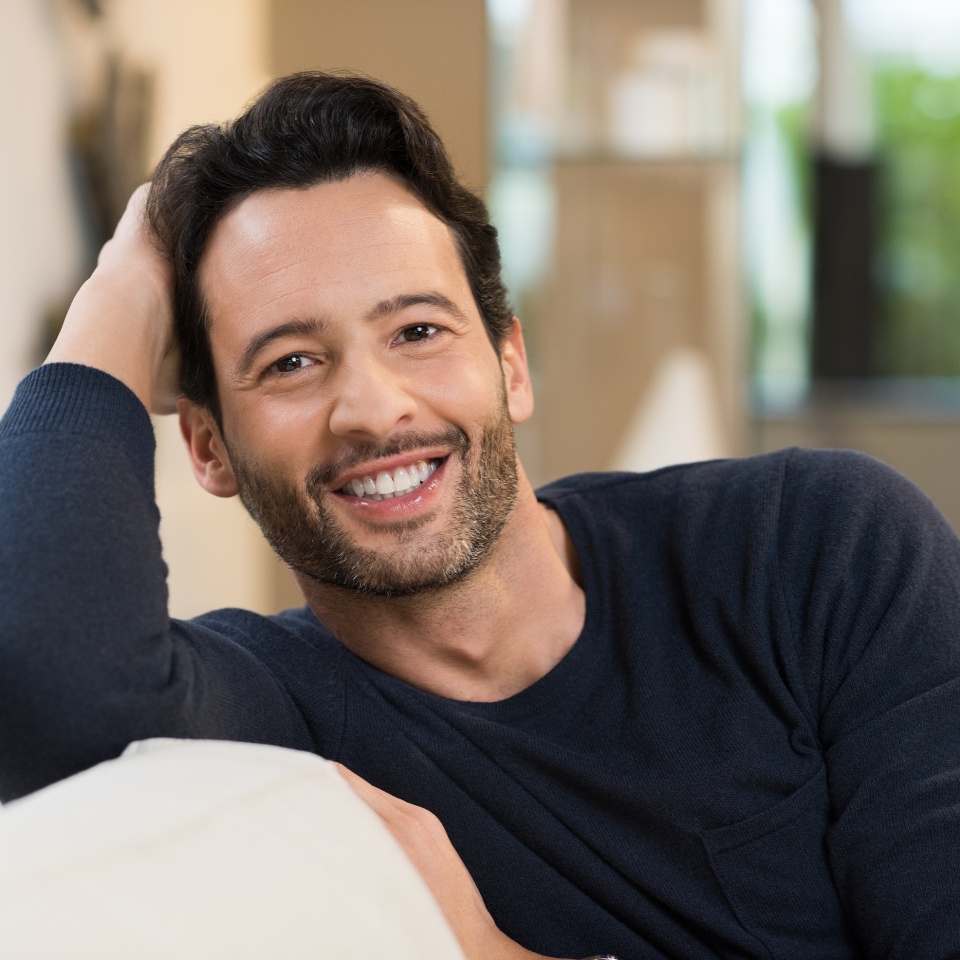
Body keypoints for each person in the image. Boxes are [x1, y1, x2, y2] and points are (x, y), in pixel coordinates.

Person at [1, 71, 960, 959]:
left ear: (510, 365)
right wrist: (118, 294)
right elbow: (52, 685)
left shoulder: (817, 552)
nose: (373, 409)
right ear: (209, 447)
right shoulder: (266, 713)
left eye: (417, 330)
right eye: (291, 362)